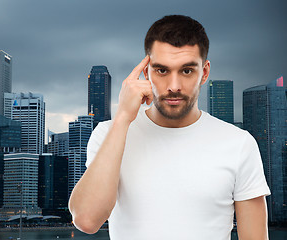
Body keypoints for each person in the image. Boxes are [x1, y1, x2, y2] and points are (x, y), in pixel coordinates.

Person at [68, 15, 271, 239]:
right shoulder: (109, 133)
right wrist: (123, 117)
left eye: (186, 71)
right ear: (146, 73)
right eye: (162, 71)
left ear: (204, 72)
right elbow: (86, 220)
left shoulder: (238, 144)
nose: (174, 86)